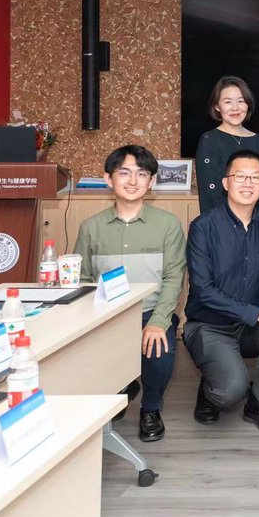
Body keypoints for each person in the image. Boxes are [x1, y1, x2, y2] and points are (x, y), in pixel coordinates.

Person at [183, 150, 259, 434]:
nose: (248, 183)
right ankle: (211, 386)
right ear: (226, 182)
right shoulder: (203, 227)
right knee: (229, 392)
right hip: (209, 325)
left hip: (251, 326)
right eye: (240, 177)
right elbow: (203, 290)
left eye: (255, 178)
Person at [76, 145, 185, 443]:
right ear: (108, 179)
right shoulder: (91, 228)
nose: (133, 180)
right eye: (124, 172)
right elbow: (83, 280)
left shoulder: (168, 225)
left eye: (142, 173)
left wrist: (159, 321)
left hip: (150, 310)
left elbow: (174, 277)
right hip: (106, 314)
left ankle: (151, 408)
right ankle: (121, 387)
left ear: (151, 182)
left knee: (158, 348)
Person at [195, 76, 259, 214]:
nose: (235, 108)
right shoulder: (208, 140)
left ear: (248, 104)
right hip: (222, 222)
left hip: (257, 222)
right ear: (217, 106)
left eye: (241, 101)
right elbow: (210, 193)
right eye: (228, 102)